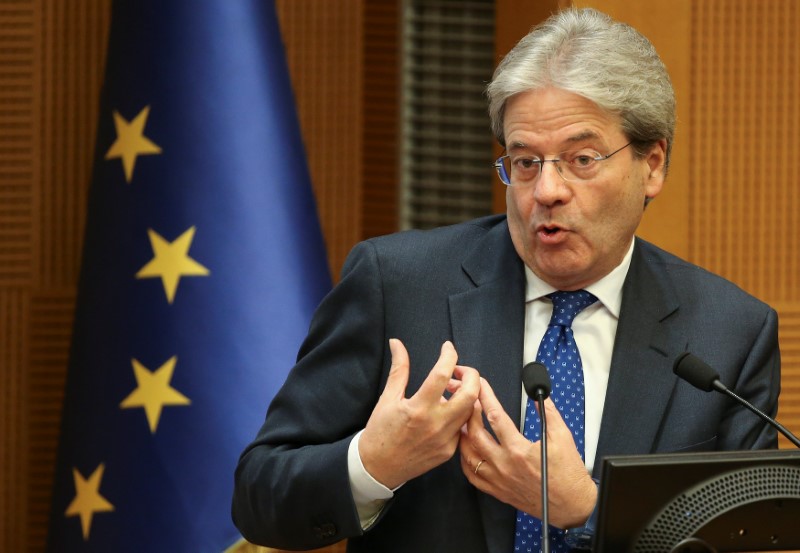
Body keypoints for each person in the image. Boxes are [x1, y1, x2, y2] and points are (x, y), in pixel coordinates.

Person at [232, 8, 780, 553]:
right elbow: (260, 496)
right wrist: (373, 464)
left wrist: (586, 513)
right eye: (524, 162)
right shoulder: (397, 285)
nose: (546, 191)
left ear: (652, 164)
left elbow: (739, 541)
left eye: (581, 159)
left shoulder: (726, 336)